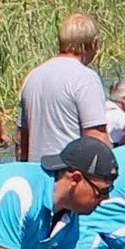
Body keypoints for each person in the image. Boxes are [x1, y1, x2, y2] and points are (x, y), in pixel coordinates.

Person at [18, 12, 109, 160]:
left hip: (37, 172)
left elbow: (22, 141)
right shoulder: (85, 78)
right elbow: (96, 139)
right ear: (94, 43)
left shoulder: (32, 76)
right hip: (70, 176)